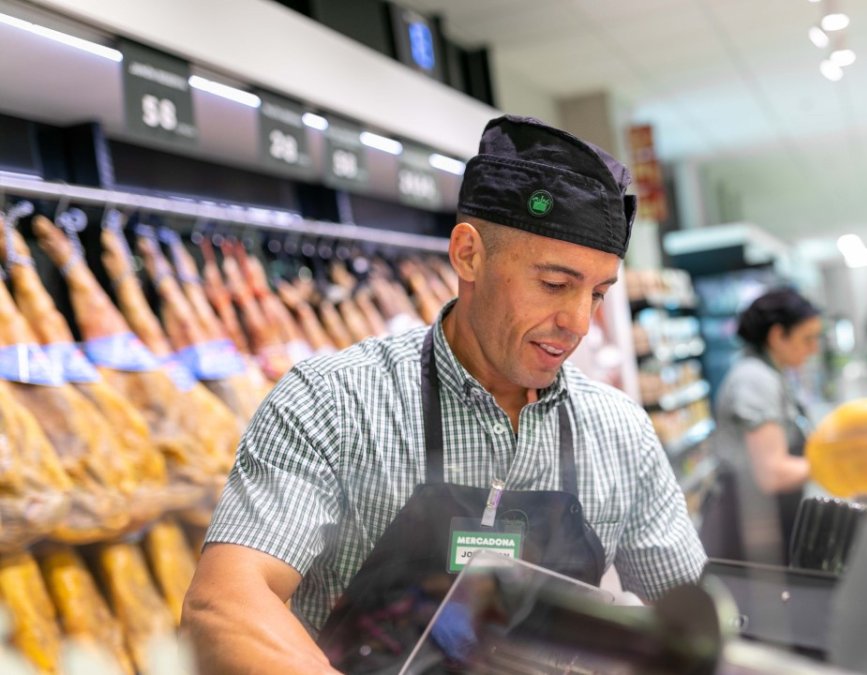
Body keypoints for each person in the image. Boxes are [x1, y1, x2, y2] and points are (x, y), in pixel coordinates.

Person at [182, 115, 707, 674]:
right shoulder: (332, 403)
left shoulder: (619, 430)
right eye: (555, 284)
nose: (578, 322)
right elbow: (225, 603)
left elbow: (690, 621)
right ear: (468, 255)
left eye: (598, 293)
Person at [702, 288, 822, 565]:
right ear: (778, 335)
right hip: (748, 532)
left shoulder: (773, 375)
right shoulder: (755, 380)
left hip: (766, 522)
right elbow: (772, 473)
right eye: (808, 339)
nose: (814, 348)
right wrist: (839, 463)